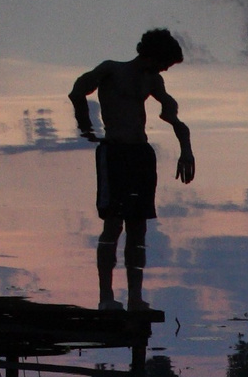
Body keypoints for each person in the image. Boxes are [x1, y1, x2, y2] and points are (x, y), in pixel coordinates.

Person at [71, 30, 196, 312]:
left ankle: (135, 298)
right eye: (165, 63)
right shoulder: (111, 70)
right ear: (153, 55)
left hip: (141, 155)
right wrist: (85, 125)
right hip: (115, 152)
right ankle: (106, 297)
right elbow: (77, 90)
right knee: (113, 224)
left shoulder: (153, 80)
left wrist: (186, 149)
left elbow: (173, 116)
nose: (165, 69)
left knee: (138, 229)